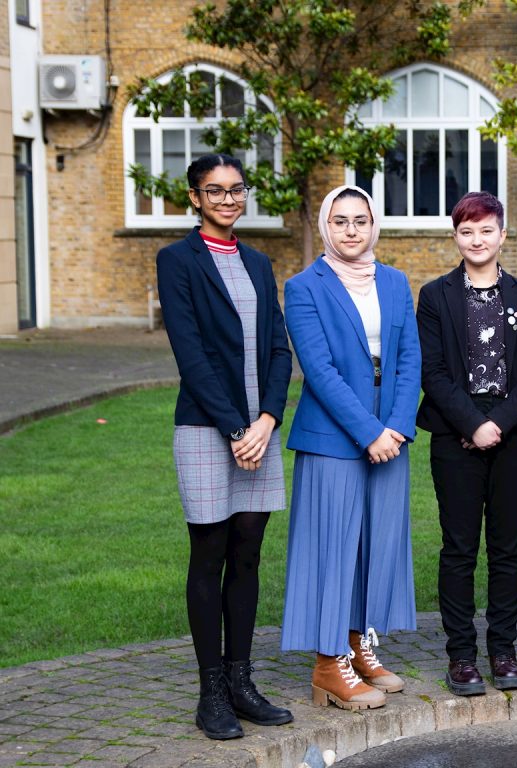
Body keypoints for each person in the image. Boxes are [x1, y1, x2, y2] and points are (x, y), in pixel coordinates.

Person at [156, 153, 293, 740]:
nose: (229, 200)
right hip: (209, 432)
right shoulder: (176, 261)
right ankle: (211, 691)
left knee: (248, 556)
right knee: (208, 556)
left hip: (258, 433)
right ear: (194, 199)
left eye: (237, 190)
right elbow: (191, 356)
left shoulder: (260, 263)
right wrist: (236, 429)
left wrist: (265, 419)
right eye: (215, 192)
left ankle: (242, 682)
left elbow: (279, 351)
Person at [280, 185, 420, 711]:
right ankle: (326, 662)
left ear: (373, 224)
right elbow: (318, 370)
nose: (352, 230)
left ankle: (359, 644)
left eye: (360, 220)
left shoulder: (396, 281)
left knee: (374, 547)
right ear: (325, 227)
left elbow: (409, 358)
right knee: (333, 547)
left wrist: (398, 427)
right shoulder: (303, 287)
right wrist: (369, 432)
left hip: (391, 434)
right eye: (340, 221)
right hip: (332, 438)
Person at [417, 192, 517, 695]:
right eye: (466, 231)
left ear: (502, 234)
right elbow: (432, 371)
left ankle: (502, 649)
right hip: (456, 435)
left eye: (486, 230)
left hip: (515, 438)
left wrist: (499, 423)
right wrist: (473, 423)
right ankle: (460, 656)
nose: (477, 240)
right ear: (456, 236)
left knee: (508, 547)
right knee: (458, 548)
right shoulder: (435, 296)